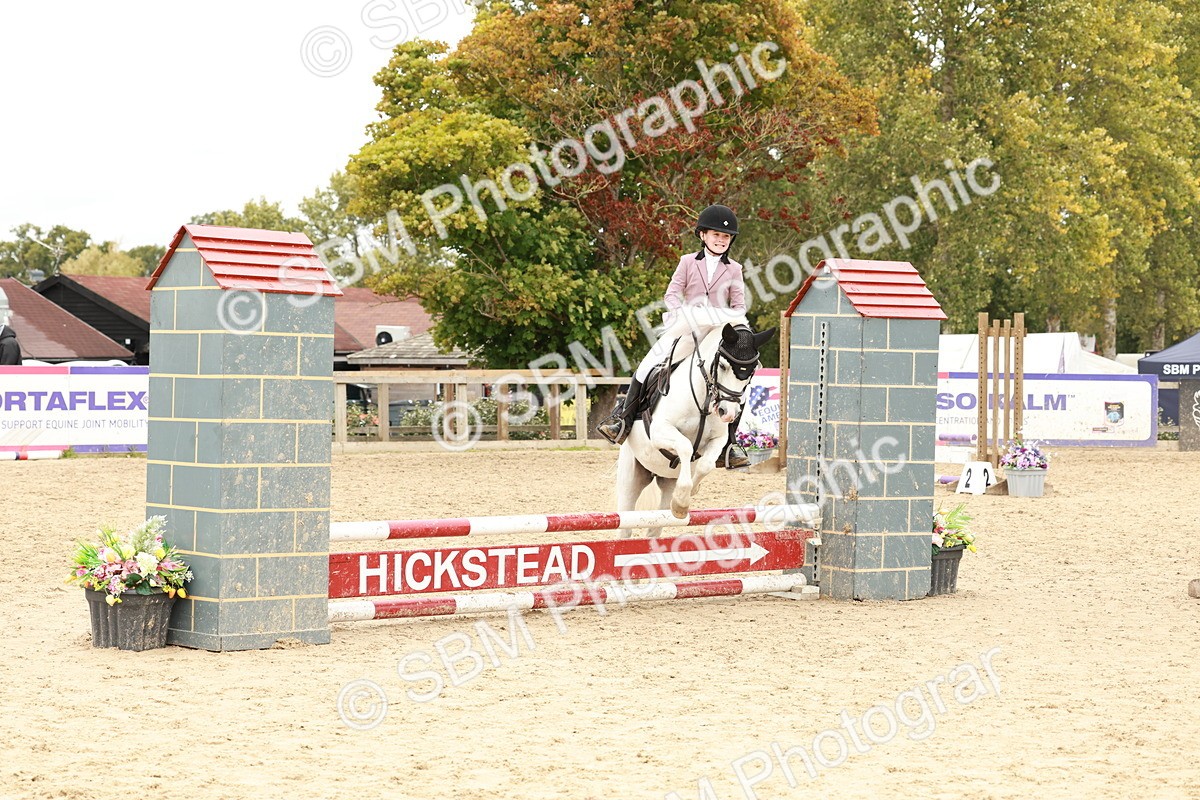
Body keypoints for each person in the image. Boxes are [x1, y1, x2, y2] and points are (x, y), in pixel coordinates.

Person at [598, 204, 751, 469]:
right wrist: (683, 313)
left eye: (726, 237)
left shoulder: (735, 269)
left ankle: (730, 444)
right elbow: (671, 294)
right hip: (685, 328)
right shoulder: (687, 262)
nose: (721, 240)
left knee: (738, 381)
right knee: (647, 366)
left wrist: (717, 317)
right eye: (716, 235)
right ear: (702, 235)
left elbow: (739, 307)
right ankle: (622, 419)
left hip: (716, 335)